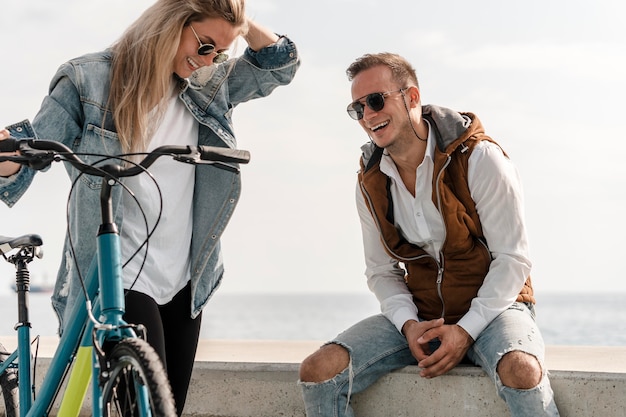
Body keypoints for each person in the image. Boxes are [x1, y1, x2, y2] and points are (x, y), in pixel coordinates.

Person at [0, 0, 299, 414]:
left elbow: (279, 63)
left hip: (185, 279)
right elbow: (35, 141)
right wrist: (11, 155)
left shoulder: (208, 85)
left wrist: (240, 25)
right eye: (205, 45)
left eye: (219, 52)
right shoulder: (88, 79)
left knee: (167, 407)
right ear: (173, 21)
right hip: (116, 272)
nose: (207, 60)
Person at [298, 52, 559, 416]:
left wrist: (465, 331)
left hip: (497, 309)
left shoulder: (479, 158)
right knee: (318, 370)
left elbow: (513, 260)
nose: (368, 115)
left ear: (412, 98)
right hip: (421, 315)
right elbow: (381, 273)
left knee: (522, 369)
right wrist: (408, 326)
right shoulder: (369, 182)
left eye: (375, 100)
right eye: (357, 109)